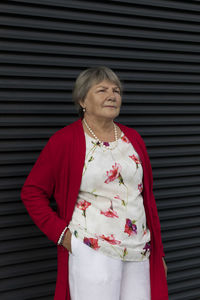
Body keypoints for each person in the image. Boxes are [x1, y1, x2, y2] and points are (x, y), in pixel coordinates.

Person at [21, 66, 168, 300]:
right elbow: (32, 192)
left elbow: (146, 198)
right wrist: (64, 236)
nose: (112, 95)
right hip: (93, 250)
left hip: (139, 249)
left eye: (116, 91)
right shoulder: (64, 141)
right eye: (102, 90)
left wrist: (158, 252)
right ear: (82, 100)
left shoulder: (133, 139)